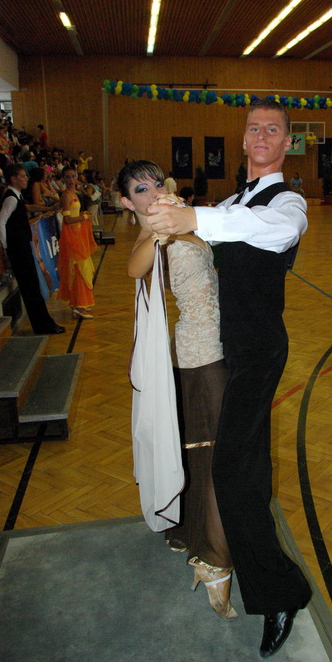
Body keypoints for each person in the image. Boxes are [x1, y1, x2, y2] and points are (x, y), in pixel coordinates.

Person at [145, 98, 312, 658]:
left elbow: (265, 229)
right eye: (253, 127)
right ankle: (267, 579)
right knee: (246, 470)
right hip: (227, 351)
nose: (262, 135)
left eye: (273, 129)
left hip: (260, 352)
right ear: (243, 140)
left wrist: (194, 218)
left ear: (287, 143)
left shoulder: (287, 204)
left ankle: (281, 592)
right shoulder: (233, 199)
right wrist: (177, 210)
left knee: (233, 471)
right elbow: (216, 226)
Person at [118, 159, 236, 620]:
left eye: (154, 183)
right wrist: (154, 229)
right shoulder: (153, 233)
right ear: (127, 203)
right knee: (215, 453)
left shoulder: (177, 217)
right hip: (200, 352)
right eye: (139, 190)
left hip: (216, 347)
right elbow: (134, 269)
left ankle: (191, 533)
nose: (151, 193)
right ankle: (214, 557)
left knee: (205, 449)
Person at [0, 164, 65, 335]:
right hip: (17, 249)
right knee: (31, 288)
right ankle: (43, 325)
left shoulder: (17, 196)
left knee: (32, 287)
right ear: (13, 179)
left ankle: (43, 324)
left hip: (21, 248)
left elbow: (28, 208)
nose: (26, 179)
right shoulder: (11, 198)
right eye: (22, 176)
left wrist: (49, 208)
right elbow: (1, 222)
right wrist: (6, 247)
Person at [57, 166, 97, 319]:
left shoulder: (75, 193)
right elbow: (67, 220)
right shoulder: (66, 196)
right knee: (79, 270)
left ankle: (80, 303)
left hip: (78, 235)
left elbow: (73, 214)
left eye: (73, 176)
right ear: (63, 179)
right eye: (68, 177)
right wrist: (83, 217)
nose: (71, 180)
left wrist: (82, 214)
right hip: (72, 238)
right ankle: (78, 305)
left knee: (82, 269)